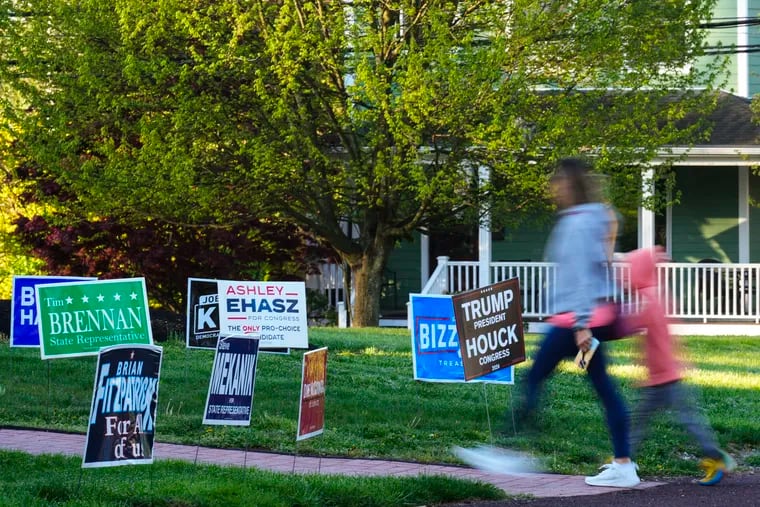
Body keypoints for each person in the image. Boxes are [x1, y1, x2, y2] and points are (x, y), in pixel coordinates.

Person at [516, 157, 640, 488]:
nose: (552, 186)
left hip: (577, 319)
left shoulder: (579, 222)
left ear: (570, 185)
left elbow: (583, 274)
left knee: (534, 378)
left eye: (557, 181)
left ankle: (513, 450)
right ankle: (623, 464)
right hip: (585, 317)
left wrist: (581, 324)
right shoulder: (592, 218)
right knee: (603, 388)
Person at [625, 246, 736, 486]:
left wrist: (612, 322)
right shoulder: (654, 295)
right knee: (647, 419)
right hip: (661, 375)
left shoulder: (650, 300)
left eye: (630, 270)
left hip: (665, 377)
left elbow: (633, 326)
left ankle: (717, 457)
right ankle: (624, 460)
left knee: (681, 421)